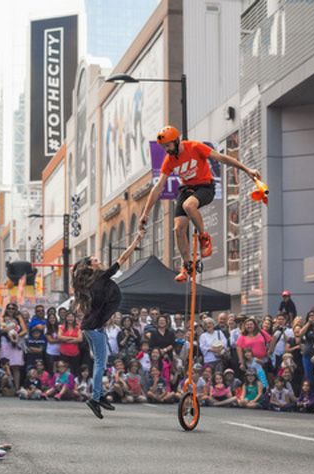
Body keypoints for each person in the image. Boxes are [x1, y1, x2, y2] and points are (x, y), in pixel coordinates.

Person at [139, 125, 260, 282]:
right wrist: (145, 214)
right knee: (178, 228)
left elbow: (222, 158)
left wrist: (246, 169)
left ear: (176, 141)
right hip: (187, 188)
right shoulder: (169, 161)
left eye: (168, 146)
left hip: (205, 187)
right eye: (163, 147)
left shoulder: (195, 147)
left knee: (188, 206)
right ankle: (187, 266)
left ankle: (204, 237)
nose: (166, 150)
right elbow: (158, 188)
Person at [71, 229, 144, 419]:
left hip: (92, 328)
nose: (99, 261)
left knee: (99, 363)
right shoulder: (100, 278)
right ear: (91, 267)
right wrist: (137, 239)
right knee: (100, 365)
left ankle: (100, 396)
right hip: (94, 329)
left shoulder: (93, 282)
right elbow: (123, 257)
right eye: (95, 260)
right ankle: (95, 399)